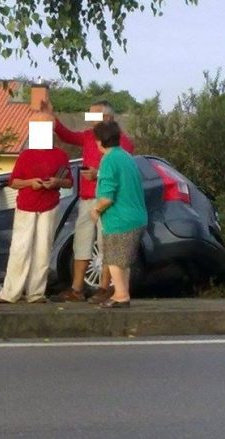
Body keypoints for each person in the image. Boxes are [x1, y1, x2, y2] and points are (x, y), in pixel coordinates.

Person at [44, 99, 136, 304]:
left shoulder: (123, 142)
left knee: (107, 244)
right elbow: (66, 135)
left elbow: (121, 169)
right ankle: (76, 288)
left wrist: (98, 174)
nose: (90, 120)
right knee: (81, 242)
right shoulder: (88, 136)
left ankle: (104, 288)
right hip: (86, 198)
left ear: (108, 118)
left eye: (95, 116)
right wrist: (52, 116)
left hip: (107, 199)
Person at [0, 112, 73, 304]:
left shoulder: (60, 155)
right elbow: (13, 182)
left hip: (49, 206)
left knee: (43, 250)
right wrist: (31, 182)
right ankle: (11, 292)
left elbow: (69, 182)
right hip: (27, 206)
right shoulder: (26, 155)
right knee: (20, 249)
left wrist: (56, 181)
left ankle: (36, 293)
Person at [89, 121, 147, 308]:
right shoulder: (126, 157)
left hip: (119, 218)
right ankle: (123, 293)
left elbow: (107, 196)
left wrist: (96, 209)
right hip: (137, 216)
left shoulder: (109, 160)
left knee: (113, 258)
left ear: (99, 141)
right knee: (124, 261)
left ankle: (121, 296)